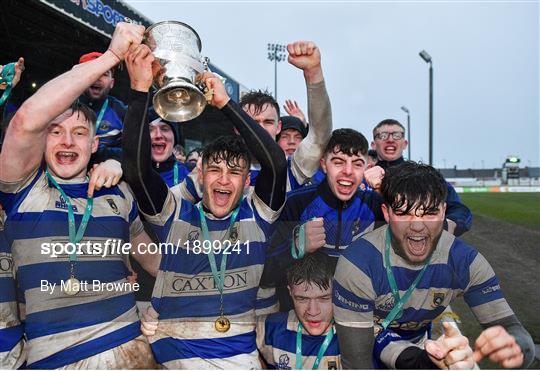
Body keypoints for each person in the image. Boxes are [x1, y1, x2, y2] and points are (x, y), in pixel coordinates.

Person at [0, 22, 159, 369]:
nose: (67, 142)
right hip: (53, 360)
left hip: (130, 351)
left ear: (95, 144)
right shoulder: (22, 191)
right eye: (55, 132)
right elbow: (25, 120)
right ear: (41, 142)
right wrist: (112, 56)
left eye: (78, 133)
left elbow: (160, 266)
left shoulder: (119, 194)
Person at [121, 44, 287, 368]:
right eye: (215, 169)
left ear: (247, 182)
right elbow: (137, 171)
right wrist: (140, 91)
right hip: (176, 360)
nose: (224, 180)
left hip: (241, 360)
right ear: (200, 173)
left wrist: (225, 103)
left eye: (235, 172)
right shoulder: (175, 216)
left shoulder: (258, 217)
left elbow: (276, 165)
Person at [333, 161, 535, 369]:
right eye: (404, 213)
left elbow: (514, 331)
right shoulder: (358, 263)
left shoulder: (466, 262)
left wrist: (514, 347)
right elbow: (357, 363)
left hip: (418, 343)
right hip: (367, 338)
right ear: (386, 213)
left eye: (429, 213)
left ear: (444, 211)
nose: (417, 226)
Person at [179, 41, 332, 200]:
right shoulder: (215, 167)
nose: (260, 129)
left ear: (278, 126)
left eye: (268, 122)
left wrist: (313, 73)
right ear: (238, 127)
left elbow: (320, 138)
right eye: (253, 122)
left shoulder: (292, 169)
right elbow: (171, 205)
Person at [264, 128, 385, 311]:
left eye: (357, 164)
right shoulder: (296, 203)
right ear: (323, 164)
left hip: (356, 317)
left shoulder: (376, 204)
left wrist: (388, 190)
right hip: (305, 319)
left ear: (366, 168)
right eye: (338, 162)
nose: (348, 172)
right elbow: (266, 276)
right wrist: (296, 248)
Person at [365, 119, 472, 236]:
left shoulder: (424, 176)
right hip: (370, 248)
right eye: (383, 135)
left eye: (397, 135)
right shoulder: (358, 178)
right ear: (373, 145)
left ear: (405, 143)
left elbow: (460, 210)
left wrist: (446, 226)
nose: (390, 140)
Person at [257, 252, 341, 369]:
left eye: (324, 298)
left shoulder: (355, 335)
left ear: (338, 294)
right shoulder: (269, 328)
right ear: (290, 292)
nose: (313, 311)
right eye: (302, 299)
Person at [78, 51, 127, 162]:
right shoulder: (64, 106)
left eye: (104, 74)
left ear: (112, 83)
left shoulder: (121, 111)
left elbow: (131, 153)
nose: (98, 77)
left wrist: (112, 161)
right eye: (93, 71)